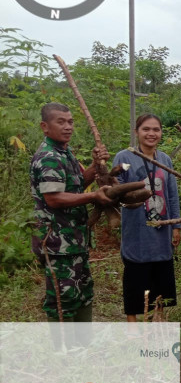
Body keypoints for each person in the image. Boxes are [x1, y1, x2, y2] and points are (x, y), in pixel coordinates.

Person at [30, 102, 112, 322]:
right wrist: (94, 196)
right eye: (61, 122)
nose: (68, 127)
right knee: (63, 299)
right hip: (57, 243)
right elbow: (54, 198)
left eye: (70, 122)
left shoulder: (65, 153)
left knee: (83, 293)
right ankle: (63, 352)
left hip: (74, 240)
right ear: (44, 127)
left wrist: (95, 165)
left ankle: (82, 346)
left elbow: (77, 186)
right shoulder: (49, 157)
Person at [113, 114, 181, 322]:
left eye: (156, 129)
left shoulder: (165, 160)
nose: (151, 134)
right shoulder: (125, 159)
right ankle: (133, 322)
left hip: (162, 227)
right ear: (136, 132)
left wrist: (176, 225)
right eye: (146, 129)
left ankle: (157, 318)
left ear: (161, 132)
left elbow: (171, 195)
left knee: (161, 273)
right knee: (136, 272)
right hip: (136, 227)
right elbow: (115, 185)